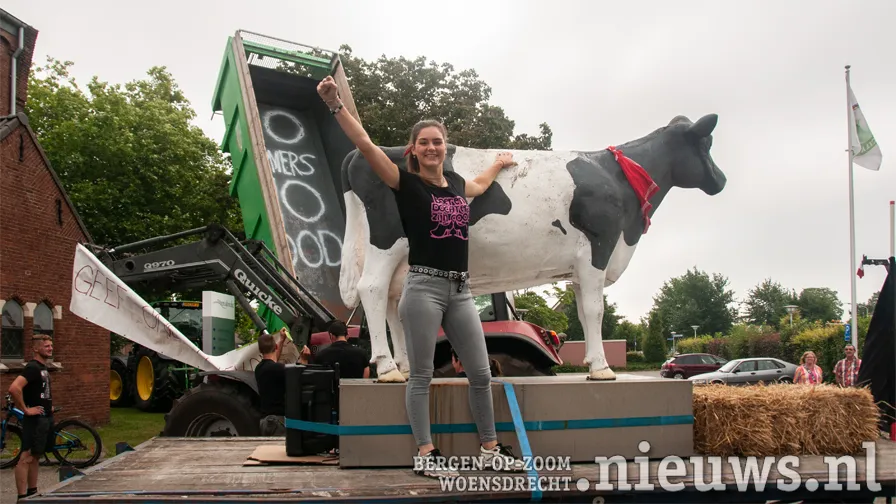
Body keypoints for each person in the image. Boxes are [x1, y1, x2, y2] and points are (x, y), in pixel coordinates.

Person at [317, 75, 524, 477]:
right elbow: (365, 145)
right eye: (425, 142)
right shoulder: (404, 184)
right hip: (423, 290)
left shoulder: (458, 185)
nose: (432, 147)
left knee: (481, 374)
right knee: (422, 375)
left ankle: (490, 449)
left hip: (461, 293)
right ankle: (426, 453)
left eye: (438, 142)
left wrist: (498, 163)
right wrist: (335, 105)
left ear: (445, 149)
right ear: (414, 150)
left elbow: (479, 185)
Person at [7, 334, 54, 501]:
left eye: (50, 345)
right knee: (26, 457)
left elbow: (40, 392)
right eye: (46, 346)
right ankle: (21, 497)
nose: (50, 348)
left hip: (44, 418)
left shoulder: (43, 368)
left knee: (35, 456)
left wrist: (48, 405)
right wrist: (26, 410)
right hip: (35, 420)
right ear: (36, 348)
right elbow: (14, 388)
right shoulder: (32, 367)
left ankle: (32, 493)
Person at [255, 328, 305, 435]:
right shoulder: (278, 369)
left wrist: (282, 340)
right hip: (278, 423)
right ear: (276, 347)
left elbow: (273, 360)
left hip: (264, 422)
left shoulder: (259, 368)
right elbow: (300, 374)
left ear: (260, 350)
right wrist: (304, 359)